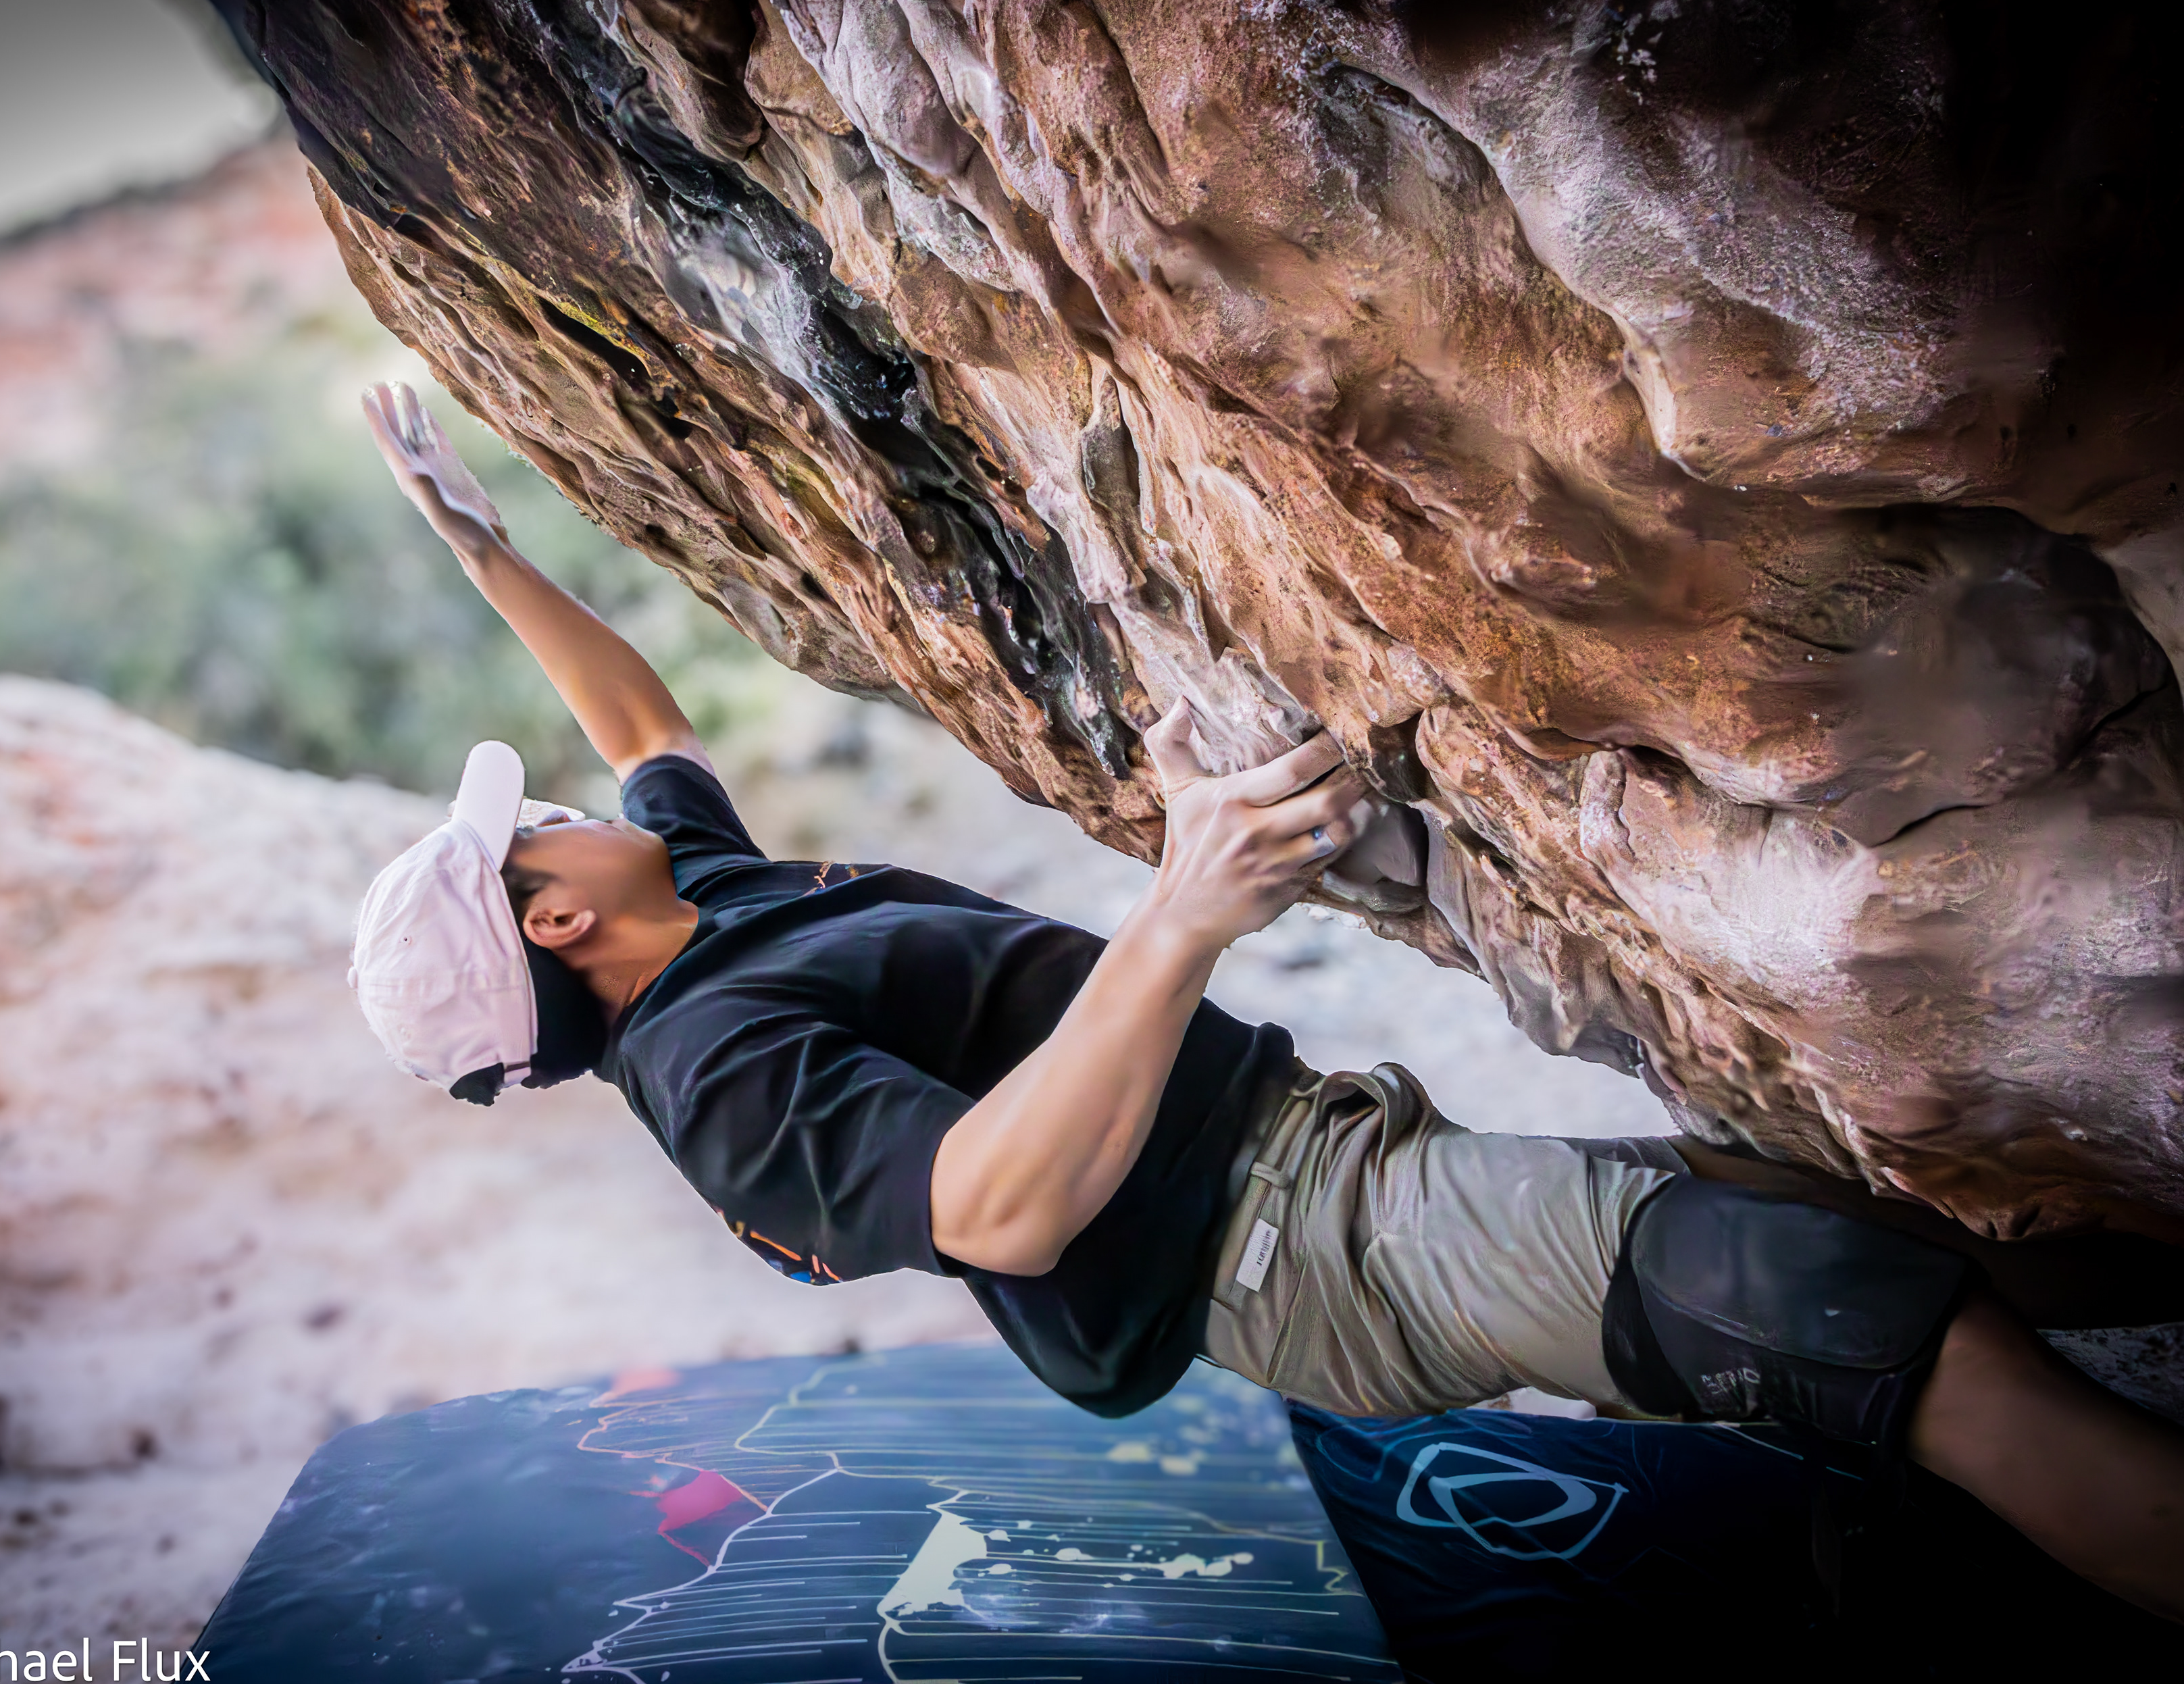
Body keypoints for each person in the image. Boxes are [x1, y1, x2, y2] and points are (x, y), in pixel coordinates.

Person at [347, 382, 2184, 1623]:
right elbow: (994, 1203)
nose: (577, 813)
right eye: (540, 837)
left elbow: (644, 728)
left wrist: (480, 549)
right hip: (1287, 1254)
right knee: (1827, 1310)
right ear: (558, 924)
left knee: (1849, 1221)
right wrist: (1183, 919)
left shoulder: (704, 904)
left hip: (1324, 1160)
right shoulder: (720, 1071)